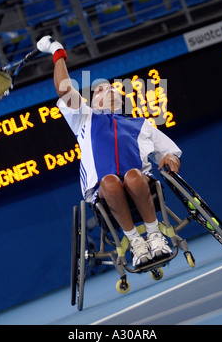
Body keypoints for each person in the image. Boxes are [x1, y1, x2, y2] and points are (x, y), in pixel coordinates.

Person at [37, 36, 182, 267]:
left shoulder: (141, 124)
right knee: (110, 181)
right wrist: (57, 51)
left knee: (133, 176)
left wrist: (169, 157)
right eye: (100, 90)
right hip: (103, 193)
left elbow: (169, 152)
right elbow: (64, 89)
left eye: (112, 88)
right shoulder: (84, 118)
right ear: (93, 103)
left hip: (142, 184)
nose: (109, 90)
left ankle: (156, 237)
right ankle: (136, 243)